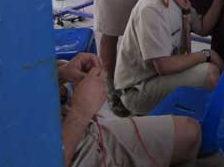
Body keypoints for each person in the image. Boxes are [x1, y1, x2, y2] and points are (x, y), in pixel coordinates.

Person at [115, 0, 224, 116]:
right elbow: (164, 66)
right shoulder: (153, 8)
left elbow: (202, 28)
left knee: (208, 70)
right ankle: (211, 124)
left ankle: (205, 116)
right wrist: (207, 54)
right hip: (139, 90)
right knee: (209, 73)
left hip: (160, 77)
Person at [59, 52, 200, 167]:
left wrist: (59, 73)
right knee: (208, 75)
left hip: (81, 131)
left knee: (190, 132)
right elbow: (163, 66)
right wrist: (80, 113)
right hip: (69, 148)